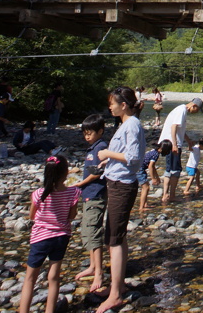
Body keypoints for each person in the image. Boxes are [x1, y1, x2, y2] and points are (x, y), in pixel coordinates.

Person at [95, 86, 146, 313]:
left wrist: (107, 154)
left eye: (112, 103)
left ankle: (115, 295)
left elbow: (134, 159)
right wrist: (110, 162)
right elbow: (126, 155)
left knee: (114, 240)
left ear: (123, 105)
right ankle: (120, 285)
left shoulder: (132, 124)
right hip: (117, 182)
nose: (110, 107)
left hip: (122, 187)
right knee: (117, 237)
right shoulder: (126, 124)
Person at [17, 154, 81, 313]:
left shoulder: (38, 194)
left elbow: (32, 216)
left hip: (40, 237)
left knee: (30, 278)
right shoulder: (73, 193)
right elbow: (72, 216)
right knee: (54, 277)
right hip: (61, 237)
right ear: (66, 173)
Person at [74, 114, 108, 294]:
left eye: (90, 133)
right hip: (89, 194)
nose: (87, 137)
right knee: (88, 229)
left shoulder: (101, 147)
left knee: (93, 231)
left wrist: (80, 183)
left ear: (100, 131)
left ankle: (99, 273)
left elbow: (97, 172)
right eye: (85, 133)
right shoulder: (93, 148)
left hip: (95, 193)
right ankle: (93, 266)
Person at [157, 97, 203, 205]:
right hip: (172, 144)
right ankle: (171, 196)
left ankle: (166, 195)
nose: (196, 112)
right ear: (194, 106)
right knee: (175, 170)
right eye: (197, 110)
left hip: (169, 143)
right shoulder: (182, 110)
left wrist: (188, 141)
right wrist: (174, 144)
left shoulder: (181, 109)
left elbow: (180, 130)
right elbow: (173, 127)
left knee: (169, 169)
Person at [137, 139, 162, 215]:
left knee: (146, 187)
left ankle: (145, 204)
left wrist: (157, 177)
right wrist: (153, 179)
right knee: (146, 187)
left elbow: (153, 167)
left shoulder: (154, 151)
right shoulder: (156, 154)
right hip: (139, 169)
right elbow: (150, 166)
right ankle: (141, 207)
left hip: (139, 167)